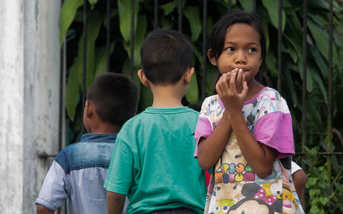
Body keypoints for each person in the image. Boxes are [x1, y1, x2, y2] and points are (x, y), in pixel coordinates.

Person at [195, 11, 305, 213]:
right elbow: (205, 160)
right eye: (231, 49)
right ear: (213, 57)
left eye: (252, 50)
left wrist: (234, 112)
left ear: (261, 57)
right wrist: (230, 110)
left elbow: (262, 166)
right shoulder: (210, 105)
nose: (241, 58)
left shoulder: (271, 101)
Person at [104, 29, 207, 214]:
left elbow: (115, 191)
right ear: (188, 75)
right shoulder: (201, 123)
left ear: (143, 77)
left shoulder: (132, 129)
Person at [35, 73, 138, 214]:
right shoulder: (136, 155)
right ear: (132, 116)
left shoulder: (69, 156)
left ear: (89, 108)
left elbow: (43, 206)